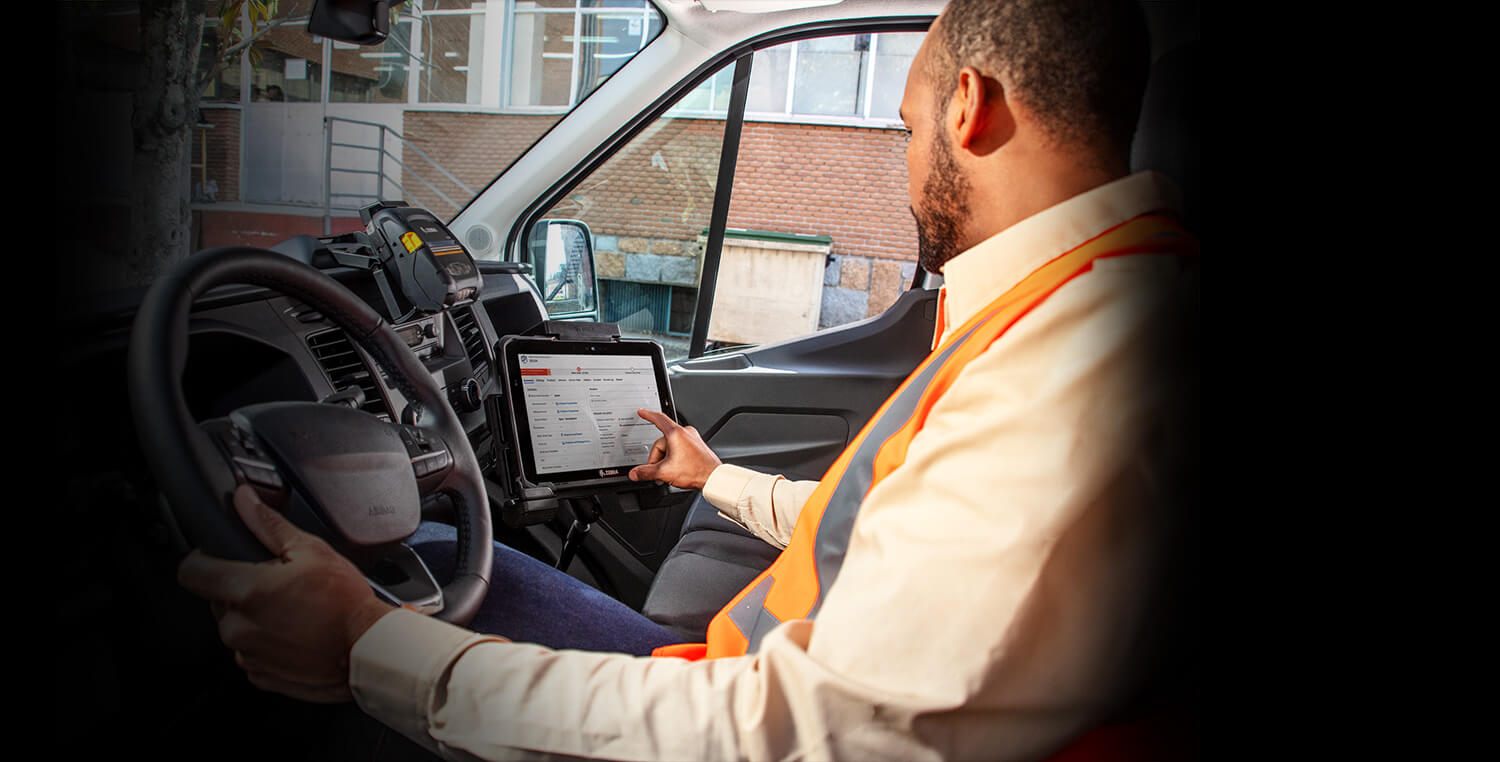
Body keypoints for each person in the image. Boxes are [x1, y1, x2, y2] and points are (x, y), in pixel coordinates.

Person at [177, 0, 1199, 759]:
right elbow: (903, 534)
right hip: (758, 667)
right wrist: (713, 479)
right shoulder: (1096, 305)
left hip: (737, 704)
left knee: (407, 584)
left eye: (904, 127)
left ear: (968, 109)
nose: (902, 160)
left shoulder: (1080, 370)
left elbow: (799, 733)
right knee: (443, 555)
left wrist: (368, 653)